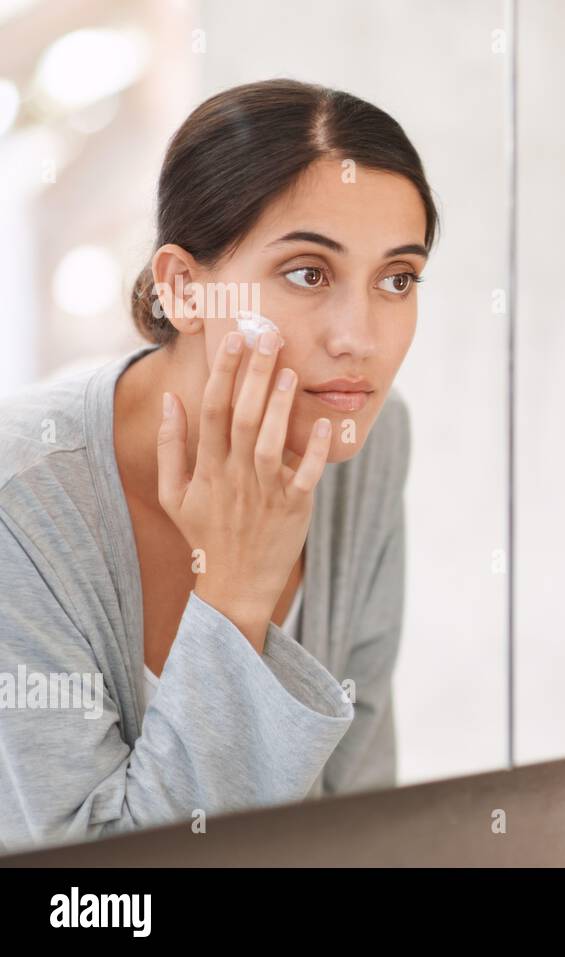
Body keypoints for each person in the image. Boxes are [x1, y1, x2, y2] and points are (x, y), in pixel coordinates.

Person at [0, 79, 436, 852]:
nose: (360, 339)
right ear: (183, 287)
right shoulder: (23, 498)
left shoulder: (366, 443)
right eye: (309, 272)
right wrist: (233, 595)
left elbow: (363, 823)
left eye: (396, 278)